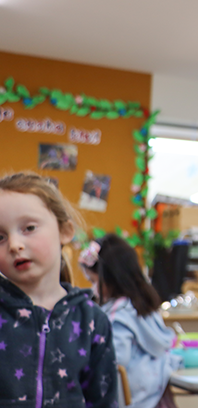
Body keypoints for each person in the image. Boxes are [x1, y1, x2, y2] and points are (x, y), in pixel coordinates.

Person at [0, 171, 117, 407]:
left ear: (65, 230)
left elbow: (103, 401)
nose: (14, 245)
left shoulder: (92, 321)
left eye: (29, 228)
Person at [79, 233, 181, 408]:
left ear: (112, 278)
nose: (93, 289)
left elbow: (116, 359)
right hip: (157, 394)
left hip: (133, 399)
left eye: (94, 281)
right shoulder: (143, 304)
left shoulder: (117, 313)